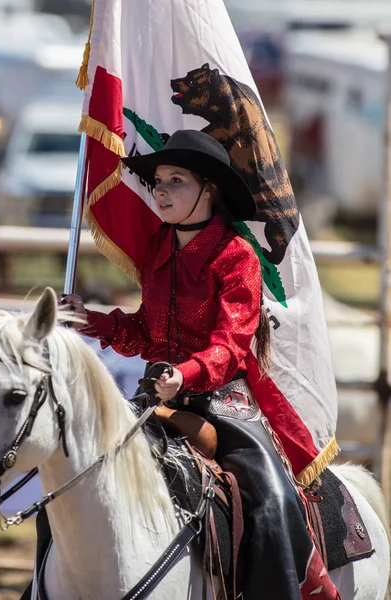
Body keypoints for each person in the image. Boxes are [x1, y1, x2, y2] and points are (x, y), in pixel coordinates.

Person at [59, 130, 340, 599]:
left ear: (208, 189)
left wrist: (183, 374)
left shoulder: (237, 256)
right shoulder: (156, 252)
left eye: (175, 180)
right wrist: (87, 320)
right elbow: (145, 334)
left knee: (270, 498)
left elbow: (231, 346)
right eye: (158, 182)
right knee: (80, 470)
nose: (161, 191)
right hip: (160, 397)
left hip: (227, 403)